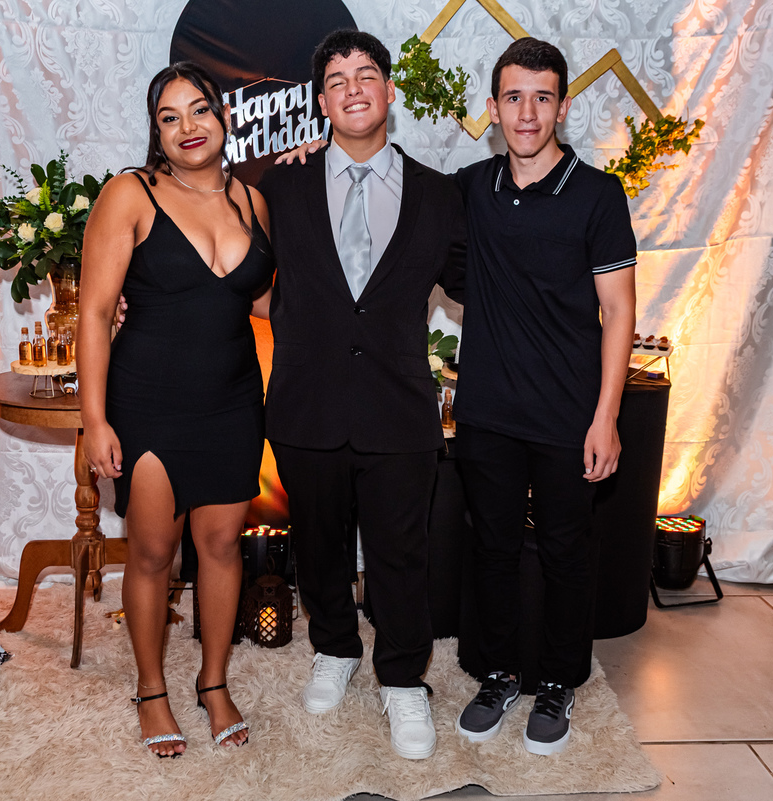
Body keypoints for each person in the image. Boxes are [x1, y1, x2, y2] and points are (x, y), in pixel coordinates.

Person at [257, 29, 466, 760]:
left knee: (400, 553)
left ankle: (403, 678)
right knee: (317, 543)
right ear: (321, 101)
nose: (353, 88)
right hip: (305, 402)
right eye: (337, 79)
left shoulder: (440, 194)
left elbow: (480, 286)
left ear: (389, 91)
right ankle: (334, 646)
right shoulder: (279, 186)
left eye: (366, 74)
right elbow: (232, 270)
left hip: (398, 407)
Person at [78, 62, 274, 758]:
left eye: (200, 110)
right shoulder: (130, 194)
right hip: (149, 402)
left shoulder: (252, 201)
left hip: (233, 401)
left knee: (221, 546)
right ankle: (151, 687)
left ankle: (213, 680)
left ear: (224, 117)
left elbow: (261, 301)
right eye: (170, 116)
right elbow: (95, 313)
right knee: (154, 552)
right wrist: (95, 420)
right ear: (155, 132)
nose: (188, 126)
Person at [451, 38, 637, 756]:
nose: (526, 113)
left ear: (562, 106)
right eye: (513, 97)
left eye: (542, 97)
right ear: (493, 108)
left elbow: (618, 310)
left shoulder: (597, 194)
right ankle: (497, 673)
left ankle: (559, 681)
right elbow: (389, 189)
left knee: (566, 552)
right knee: (492, 548)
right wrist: (310, 155)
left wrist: (606, 417)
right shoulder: (470, 188)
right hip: (488, 412)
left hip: (568, 414)